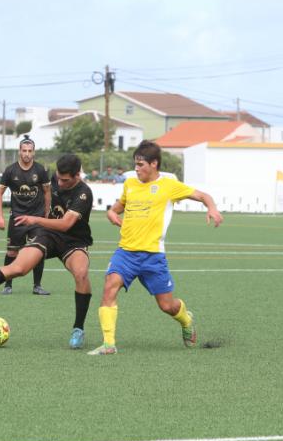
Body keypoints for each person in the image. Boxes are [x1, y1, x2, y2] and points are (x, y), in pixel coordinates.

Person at [87, 141, 223, 355]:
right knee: (109, 286)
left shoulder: (169, 186)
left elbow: (203, 196)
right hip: (126, 252)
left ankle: (186, 321)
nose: (137, 169)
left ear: (154, 163)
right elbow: (117, 207)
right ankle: (109, 344)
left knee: (167, 306)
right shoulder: (130, 184)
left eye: (141, 164)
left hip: (153, 257)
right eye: (135, 164)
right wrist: (112, 214)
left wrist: (212, 209)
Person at [0, 154, 94, 349]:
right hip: (49, 235)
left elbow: (65, 224)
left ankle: (78, 329)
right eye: (59, 178)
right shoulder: (54, 179)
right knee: (18, 268)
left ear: (77, 175)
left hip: (74, 241)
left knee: (81, 274)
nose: (60, 183)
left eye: (65, 180)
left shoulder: (84, 193)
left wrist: (35, 219)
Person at [0, 135, 52, 295]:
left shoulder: (40, 170)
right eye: (24, 150)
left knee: (38, 251)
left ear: (34, 153)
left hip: (37, 218)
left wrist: (46, 214)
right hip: (18, 218)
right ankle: (8, 285)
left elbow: (47, 192)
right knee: (12, 252)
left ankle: (37, 286)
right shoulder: (10, 170)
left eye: (30, 151)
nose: (27, 154)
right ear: (19, 152)